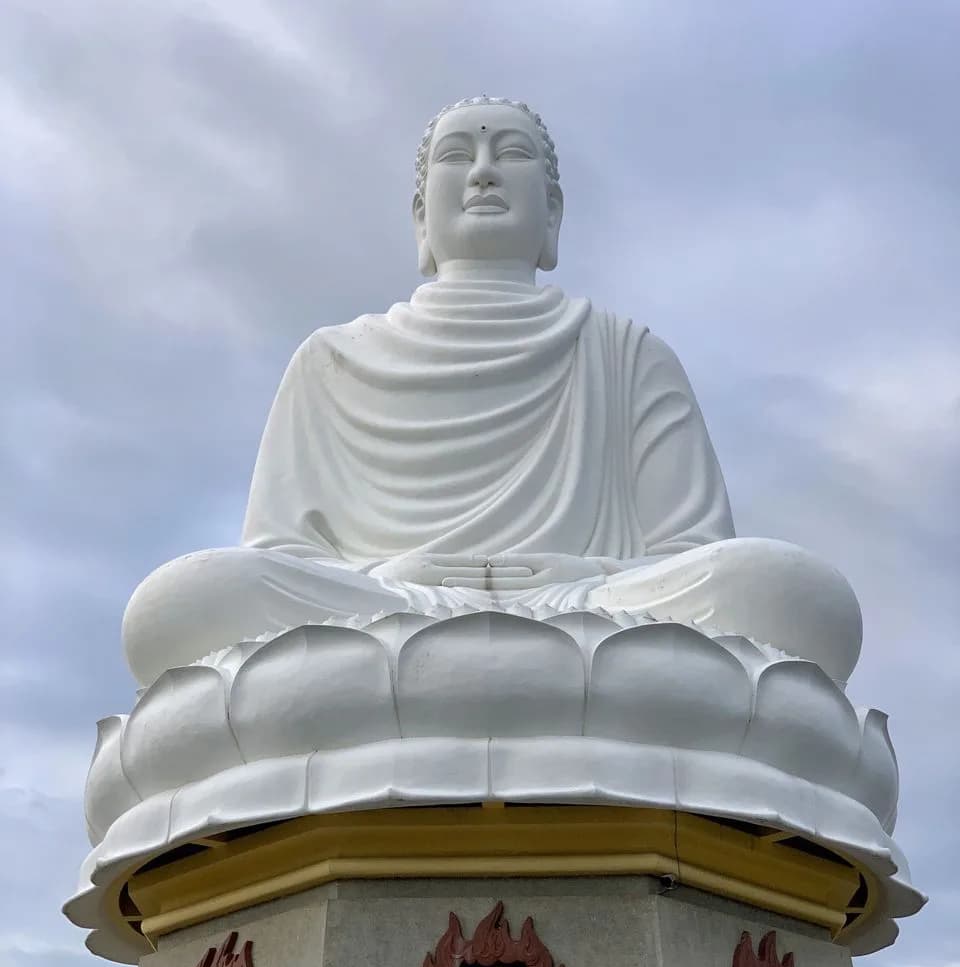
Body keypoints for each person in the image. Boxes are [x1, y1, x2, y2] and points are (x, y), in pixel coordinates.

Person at [123, 96, 861, 689]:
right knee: (181, 605)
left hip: (585, 610)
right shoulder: (331, 359)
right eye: (457, 157)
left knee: (787, 593)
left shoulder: (625, 352)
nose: (483, 174)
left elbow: (691, 553)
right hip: (383, 611)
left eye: (511, 156)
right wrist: (389, 579)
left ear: (554, 214)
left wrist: (586, 576)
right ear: (422, 216)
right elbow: (286, 552)